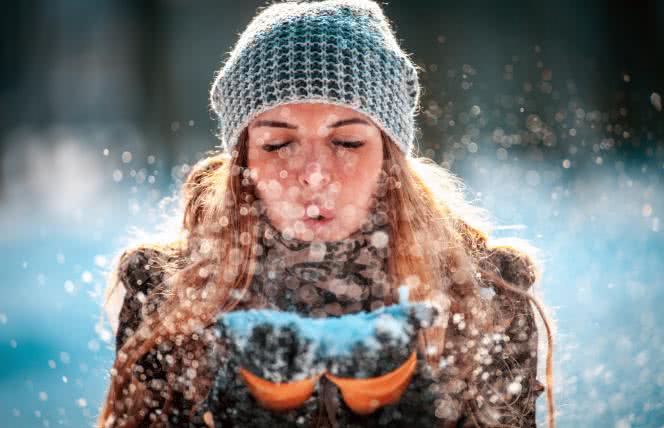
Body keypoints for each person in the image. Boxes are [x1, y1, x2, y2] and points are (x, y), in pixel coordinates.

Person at [97, 1, 555, 427]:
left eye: (348, 142)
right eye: (278, 145)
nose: (314, 175)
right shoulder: (167, 296)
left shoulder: (483, 295)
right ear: (243, 165)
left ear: (388, 158)